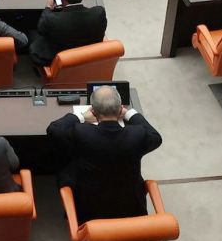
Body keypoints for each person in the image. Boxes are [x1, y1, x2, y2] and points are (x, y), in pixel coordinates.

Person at [46, 84, 162, 223]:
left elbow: (54, 130)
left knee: (64, 163)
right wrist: (129, 113)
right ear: (120, 109)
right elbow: (155, 137)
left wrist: (81, 116)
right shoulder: (137, 134)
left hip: (88, 212)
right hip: (132, 209)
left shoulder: (81, 132)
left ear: (93, 112)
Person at [30, 0, 107, 67]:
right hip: (90, 57)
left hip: (60, 59)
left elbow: (41, 29)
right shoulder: (99, 13)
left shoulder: (51, 19)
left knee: (32, 35)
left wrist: (48, 7)